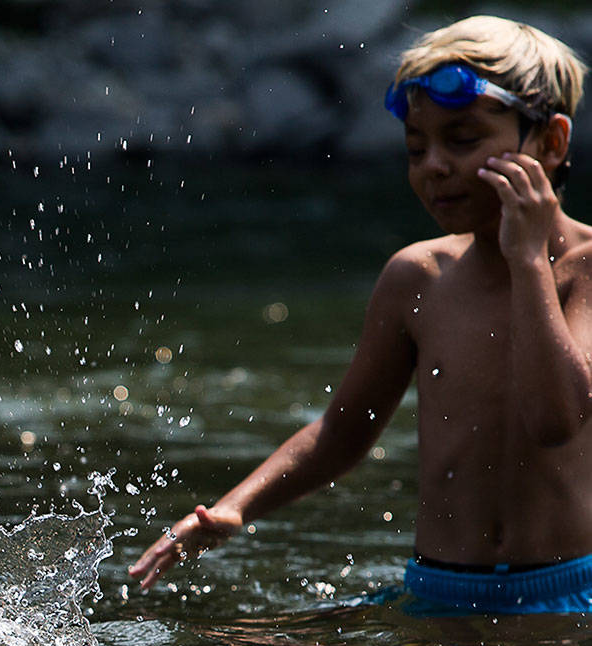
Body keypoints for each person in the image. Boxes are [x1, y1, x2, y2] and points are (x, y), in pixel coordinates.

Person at [129, 15, 592, 613]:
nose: (434, 166)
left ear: (550, 143)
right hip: (438, 590)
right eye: (416, 148)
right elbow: (342, 432)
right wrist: (234, 506)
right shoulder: (418, 276)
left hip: (564, 600)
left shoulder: (584, 271)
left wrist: (527, 259)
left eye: (463, 139)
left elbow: (555, 419)